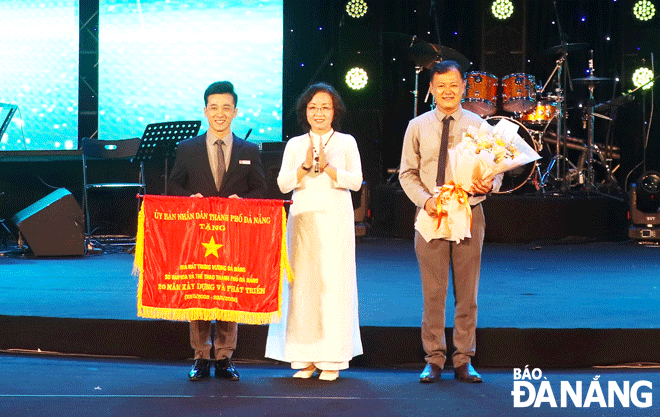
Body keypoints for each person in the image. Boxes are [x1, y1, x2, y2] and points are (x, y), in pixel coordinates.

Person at [399, 61, 502, 384]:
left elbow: (495, 170)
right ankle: (434, 358)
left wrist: (490, 184)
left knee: (467, 292)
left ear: (463, 88)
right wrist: (426, 201)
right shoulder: (417, 126)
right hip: (431, 215)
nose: (447, 91)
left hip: (470, 213)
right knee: (433, 292)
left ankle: (463, 359)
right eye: (441, 85)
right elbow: (407, 173)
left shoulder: (478, 125)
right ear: (431, 88)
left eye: (454, 85)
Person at [168, 81, 267, 381]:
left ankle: (224, 357)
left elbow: (262, 189)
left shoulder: (250, 149)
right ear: (205, 111)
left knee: (227, 291)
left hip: (234, 233)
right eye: (214, 108)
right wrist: (189, 199)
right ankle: (200, 355)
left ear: (235, 111)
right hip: (198, 231)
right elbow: (172, 185)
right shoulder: (187, 149)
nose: (220, 113)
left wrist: (244, 201)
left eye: (226, 108)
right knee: (199, 290)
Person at [265, 83, 363, 382]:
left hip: (336, 220)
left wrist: (330, 168)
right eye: (313, 108)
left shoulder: (346, 142)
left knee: (334, 285)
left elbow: (356, 182)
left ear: (335, 112)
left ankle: (332, 357)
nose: (319, 113)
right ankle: (304, 357)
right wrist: (306, 165)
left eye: (325, 107)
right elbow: (283, 184)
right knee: (303, 286)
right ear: (304, 112)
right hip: (303, 220)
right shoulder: (295, 144)